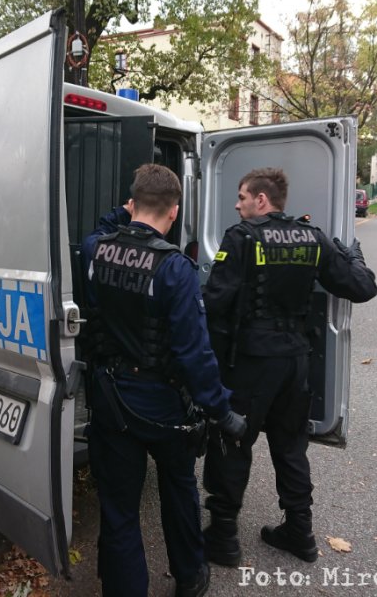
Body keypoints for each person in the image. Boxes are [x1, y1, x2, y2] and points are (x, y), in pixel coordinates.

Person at [82, 163, 246, 597]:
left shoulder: (94, 250)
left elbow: (105, 227)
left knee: (118, 509)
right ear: (174, 212)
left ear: (132, 203)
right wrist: (222, 411)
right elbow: (196, 353)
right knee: (178, 488)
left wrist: (125, 213)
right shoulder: (175, 268)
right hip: (164, 403)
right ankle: (190, 578)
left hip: (112, 397)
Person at [201, 167, 377, 567]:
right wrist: (352, 253)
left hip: (250, 365)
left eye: (242, 196)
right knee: (290, 446)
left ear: (261, 200)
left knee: (233, 443)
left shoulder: (240, 238)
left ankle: (224, 537)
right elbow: (362, 286)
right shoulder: (312, 238)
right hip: (296, 364)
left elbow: (213, 303)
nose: (237, 204)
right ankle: (300, 531)